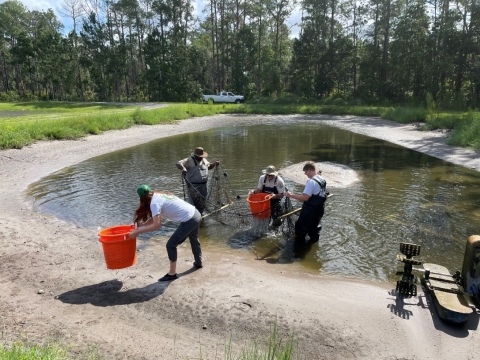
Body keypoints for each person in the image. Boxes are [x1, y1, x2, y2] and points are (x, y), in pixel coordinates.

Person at [129, 185, 203, 282]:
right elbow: (155, 219)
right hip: (196, 214)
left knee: (171, 245)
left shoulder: (154, 203)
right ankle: (199, 263)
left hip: (189, 219)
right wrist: (141, 224)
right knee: (194, 239)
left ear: (142, 199)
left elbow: (157, 225)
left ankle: (172, 274)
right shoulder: (159, 195)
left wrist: (138, 231)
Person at [285, 161, 327, 244]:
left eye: (305, 172)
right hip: (320, 209)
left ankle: (299, 250)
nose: (306, 175)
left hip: (310, 211)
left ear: (309, 171)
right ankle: (314, 245)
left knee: (300, 228)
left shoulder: (311, 182)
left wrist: (291, 195)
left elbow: (305, 198)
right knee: (314, 228)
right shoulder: (322, 179)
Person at [176, 147, 220, 214]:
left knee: (203, 202)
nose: (201, 157)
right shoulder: (189, 160)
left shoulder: (204, 160)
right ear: (196, 155)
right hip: (193, 187)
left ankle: (200, 215)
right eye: (200, 156)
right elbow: (178, 163)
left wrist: (214, 164)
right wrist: (183, 168)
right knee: (193, 203)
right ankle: (193, 216)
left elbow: (209, 166)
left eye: (202, 156)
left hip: (203, 186)